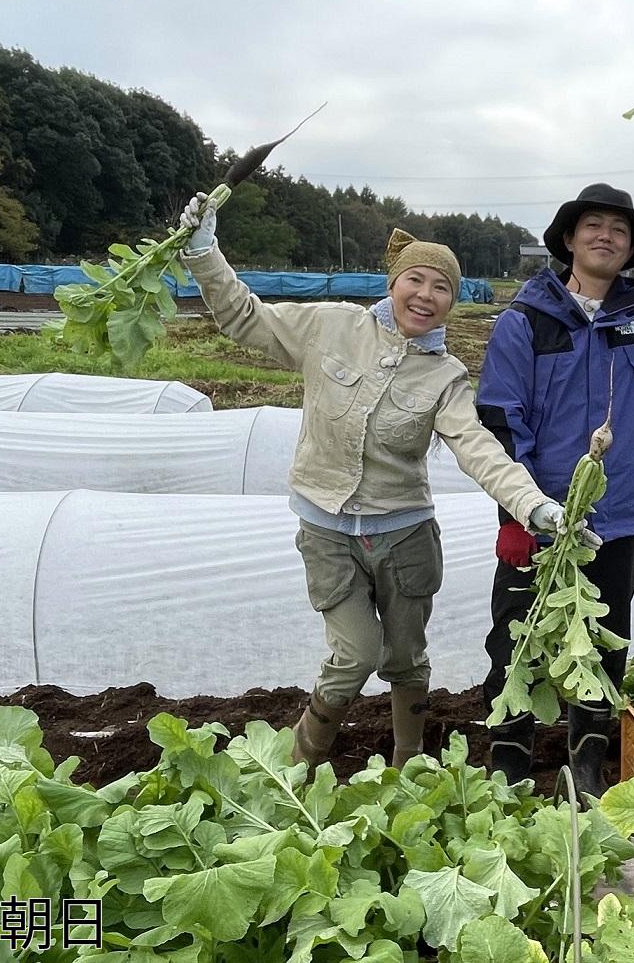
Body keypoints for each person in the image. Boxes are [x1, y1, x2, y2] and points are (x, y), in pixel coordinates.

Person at [177, 193, 579, 771]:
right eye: (415, 279)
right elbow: (245, 318)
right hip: (327, 529)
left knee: (408, 658)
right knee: (355, 656)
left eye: (441, 287)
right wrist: (202, 251)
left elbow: (478, 448)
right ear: (393, 284)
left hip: (404, 534)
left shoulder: (445, 375)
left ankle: (408, 767)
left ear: (451, 302)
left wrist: (535, 507)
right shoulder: (331, 327)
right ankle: (296, 768)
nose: (426, 295)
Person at [475, 183, 634, 794]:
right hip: (541, 516)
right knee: (518, 638)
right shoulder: (525, 321)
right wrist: (517, 514)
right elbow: (501, 417)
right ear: (569, 239)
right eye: (593, 225)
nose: (606, 237)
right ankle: (509, 768)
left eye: (619, 230)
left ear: (631, 247)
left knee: (605, 640)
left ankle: (585, 769)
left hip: (615, 517)